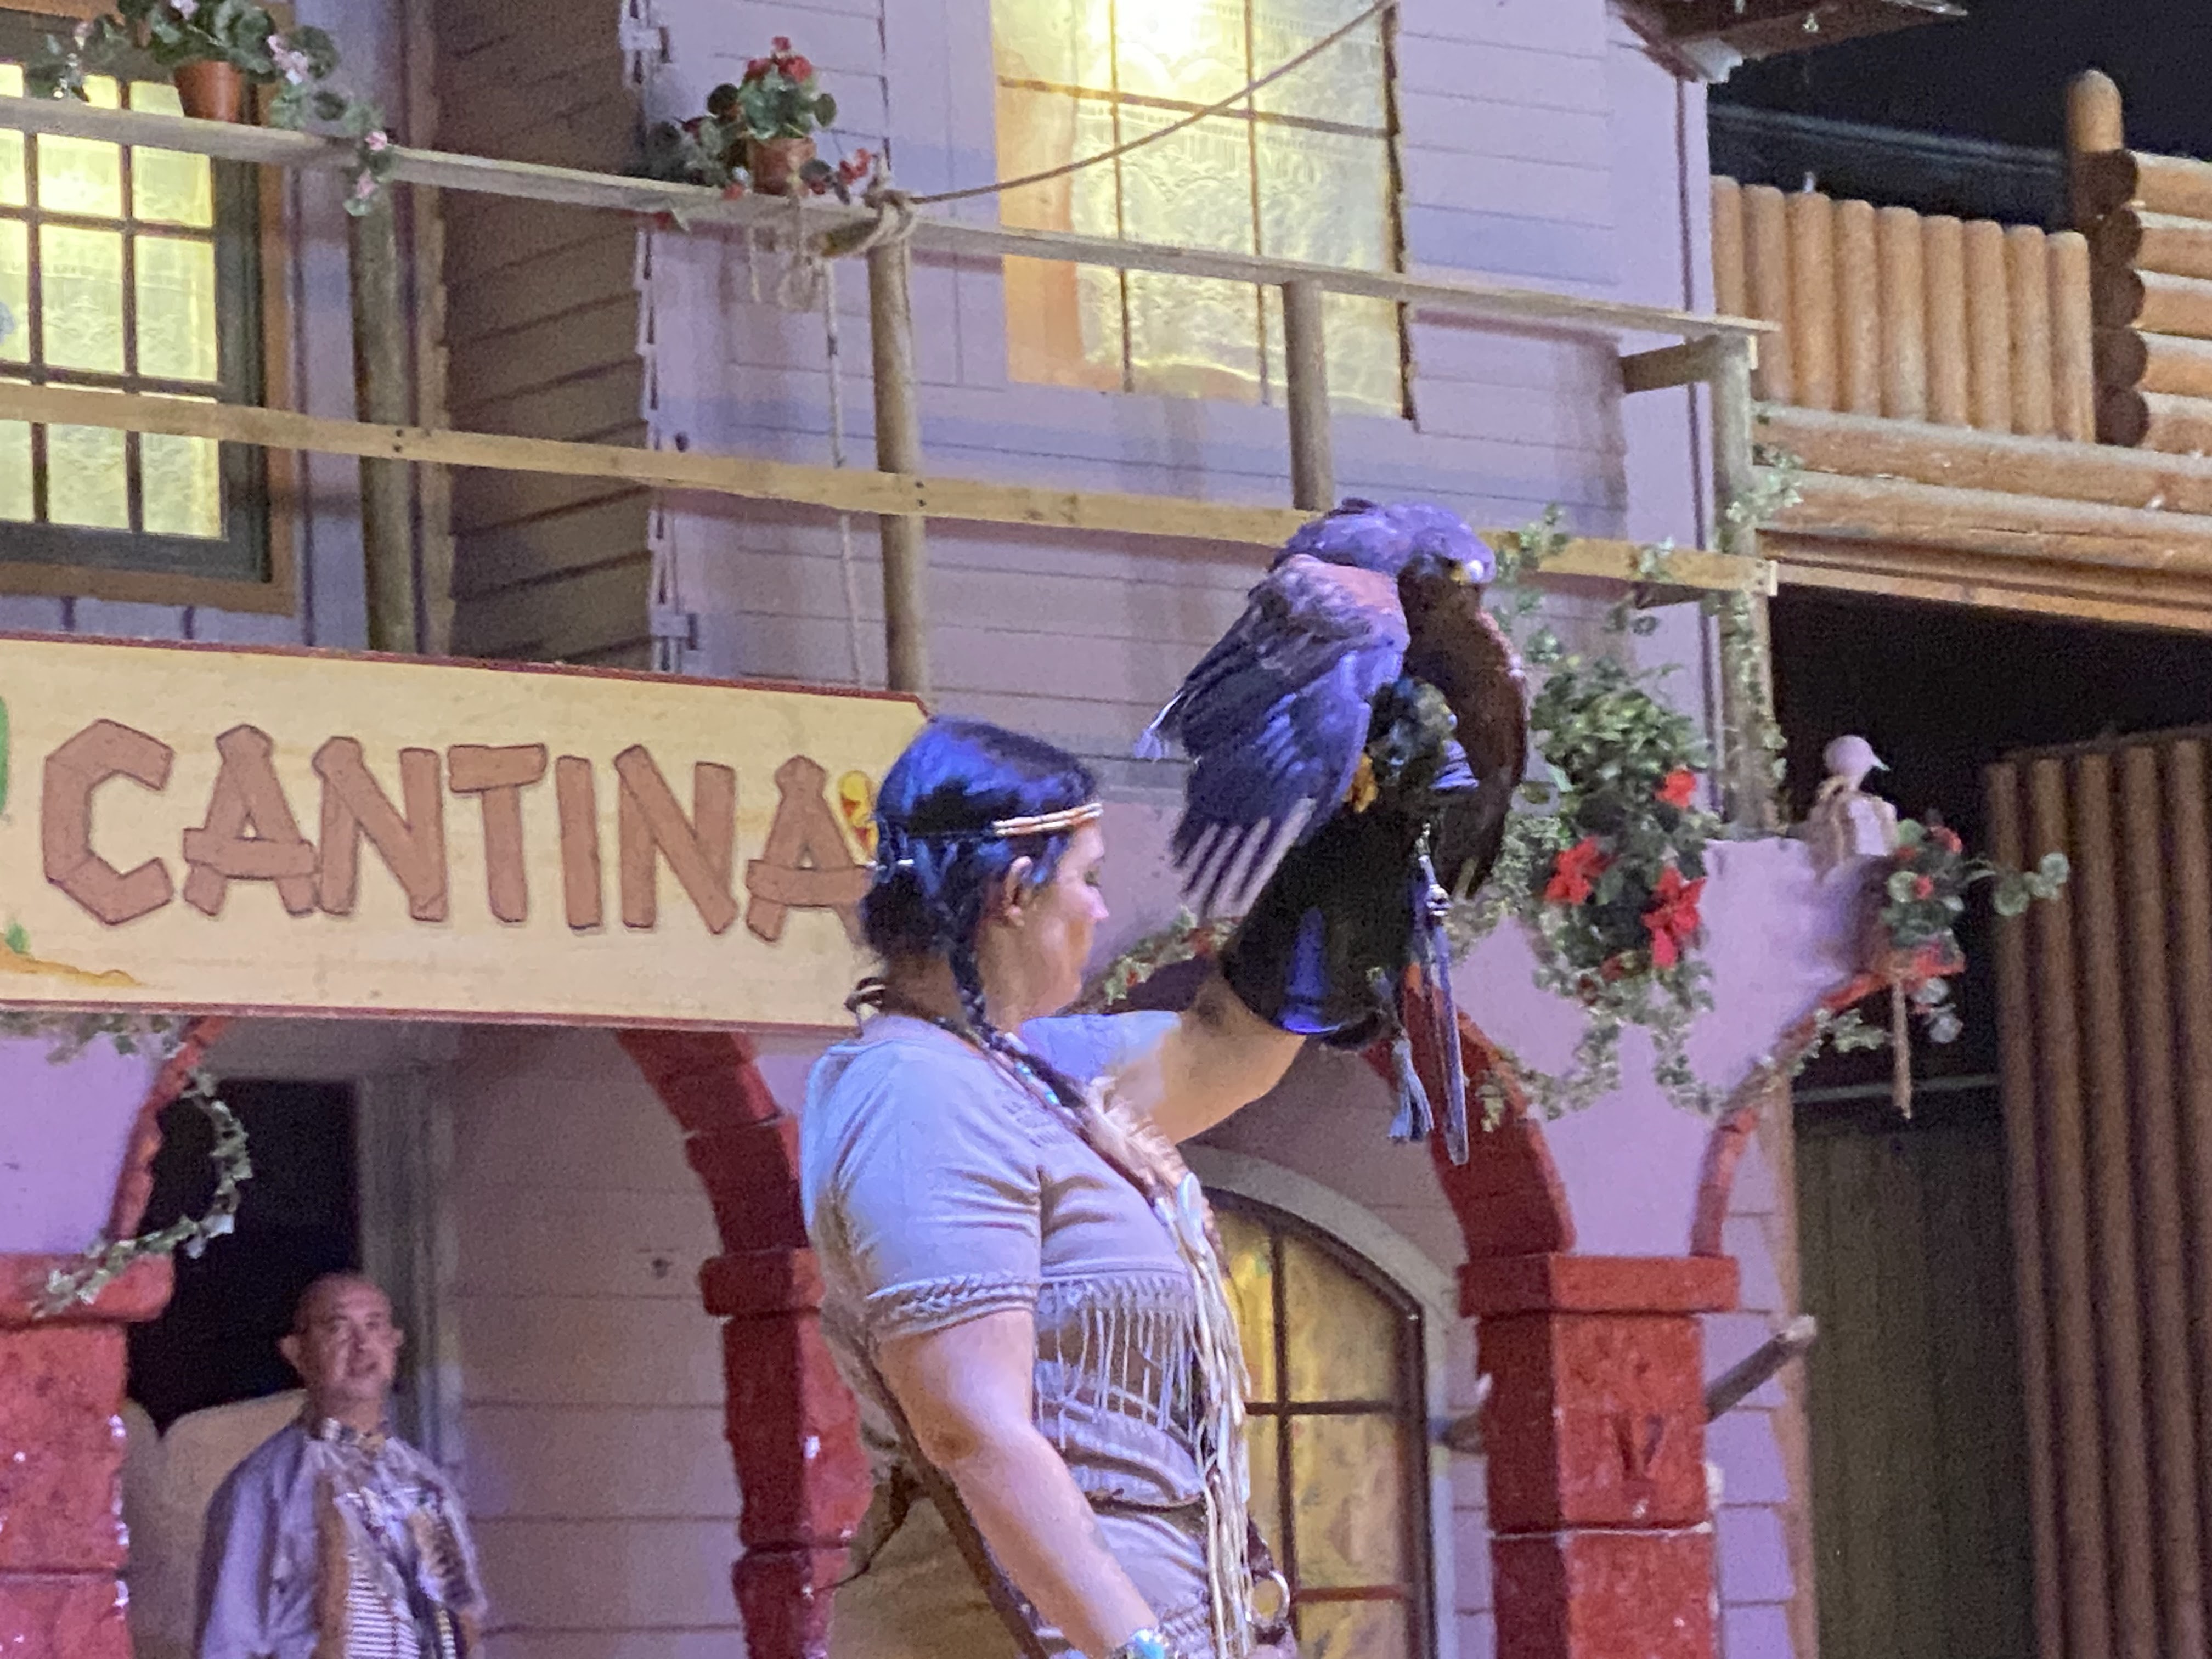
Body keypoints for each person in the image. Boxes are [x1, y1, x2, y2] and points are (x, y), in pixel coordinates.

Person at [802, 715, 1442, 1659]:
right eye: (1088, 878)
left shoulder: (1030, 1069)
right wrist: (1138, 1650)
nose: (1101, 911)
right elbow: (971, 1429)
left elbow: (1221, 1047)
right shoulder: (914, 1093)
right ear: (1014, 891)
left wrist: (1367, 830)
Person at [195, 1274, 487, 1659]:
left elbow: (464, 1619)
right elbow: (228, 1640)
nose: (362, 1344)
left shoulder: (427, 1483)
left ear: (394, 1342)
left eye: (374, 1325)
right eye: (337, 1328)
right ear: (297, 1353)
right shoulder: (262, 1485)